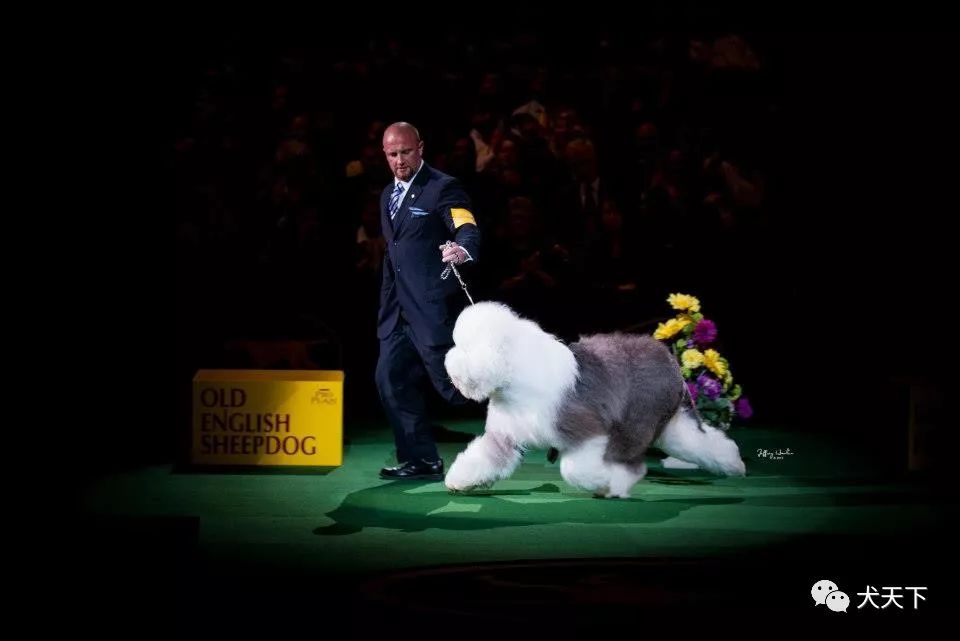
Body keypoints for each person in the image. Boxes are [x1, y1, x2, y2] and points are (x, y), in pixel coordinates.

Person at [375, 122, 481, 480]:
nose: (400, 161)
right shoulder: (386, 195)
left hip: (432, 311)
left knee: (457, 392)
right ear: (385, 155)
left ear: (420, 148)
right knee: (389, 379)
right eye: (393, 154)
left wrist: (463, 248)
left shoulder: (442, 187)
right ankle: (421, 460)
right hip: (396, 312)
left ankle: (526, 424)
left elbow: (465, 224)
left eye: (406, 152)